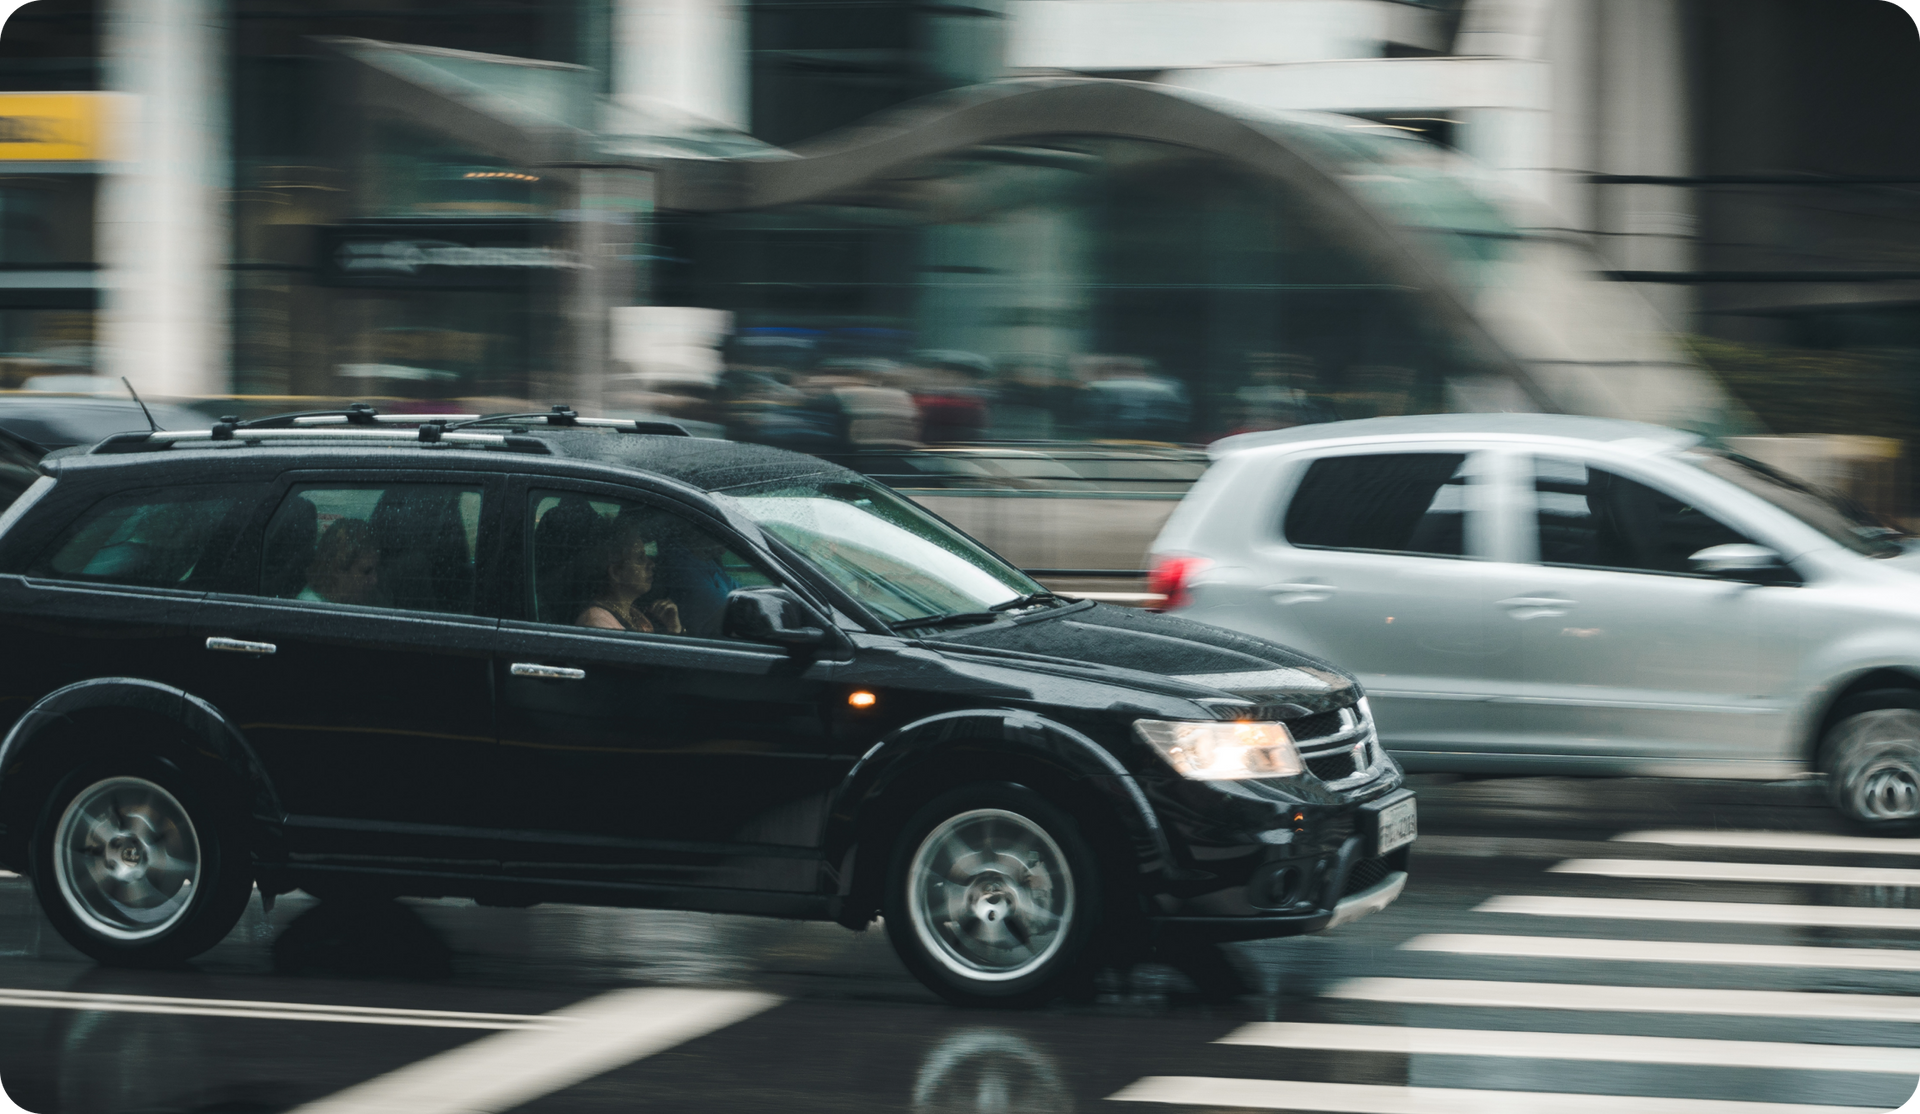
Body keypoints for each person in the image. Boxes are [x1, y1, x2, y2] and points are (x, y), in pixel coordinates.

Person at [575, 516, 683, 634]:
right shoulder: (599, 623)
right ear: (616, 572)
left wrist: (673, 629)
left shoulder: (634, 616)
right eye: (640, 558)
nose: (651, 564)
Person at [300, 518, 380, 606]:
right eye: (366, 571)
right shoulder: (310, 609)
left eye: (375, 570)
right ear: (336, 570)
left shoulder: (345, 604)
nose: (374, 580)